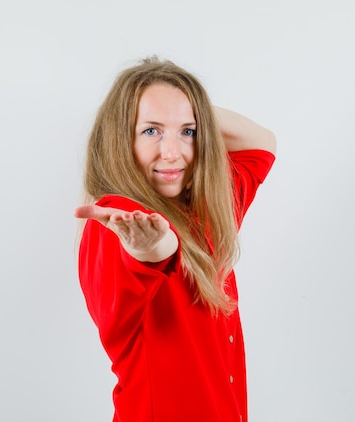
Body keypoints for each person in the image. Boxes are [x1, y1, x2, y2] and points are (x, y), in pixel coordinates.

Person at [74, 56, 276, 422]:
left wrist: (179, 106)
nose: (172, 153)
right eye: (150, 131)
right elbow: (138, 267)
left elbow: (262, 142)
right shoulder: (116, 219)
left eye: (188, 131)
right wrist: (150, 252)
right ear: (121, 137)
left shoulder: (208, 207)